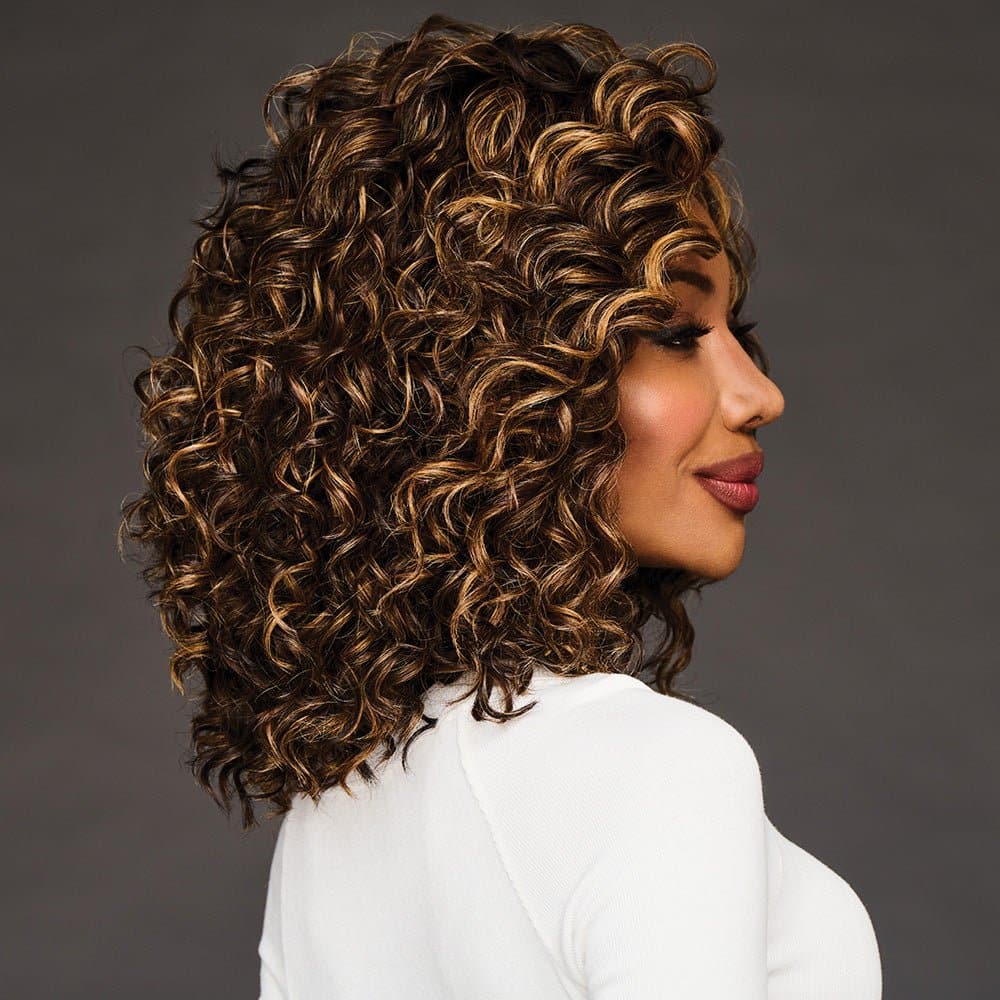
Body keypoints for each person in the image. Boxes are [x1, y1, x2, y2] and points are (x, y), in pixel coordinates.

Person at [119, 13, 883, 999]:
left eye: (733, 329)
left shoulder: (333, 818)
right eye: (675, 330)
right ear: (492, 382)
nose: (760, 393)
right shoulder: (658, 768)